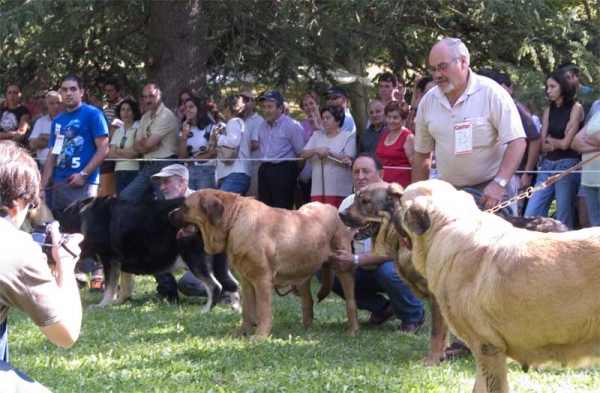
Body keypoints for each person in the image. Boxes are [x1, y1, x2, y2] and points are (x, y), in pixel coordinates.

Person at [0, 140, 83, 391]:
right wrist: (66, 263)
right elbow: (65, 334)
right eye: (31, 205)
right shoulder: (14, 246)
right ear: (17, 204)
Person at [412, 37, 526, 212]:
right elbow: (421, 155)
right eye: (433, 69)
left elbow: (517, 141)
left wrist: (499, 183)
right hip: (449, 194)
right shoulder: (428, 101)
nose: (437, 75)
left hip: (491, 193)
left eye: (443, 67)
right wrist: (417, 197)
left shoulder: (492, 93)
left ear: (463, 62)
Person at [330, 152, 425, 332]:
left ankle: (414, 316)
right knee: (329, 272)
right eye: (356, 172)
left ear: (380, 175)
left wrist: (355, 260)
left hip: (391, 268)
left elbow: (395, 251)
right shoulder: (347, 204)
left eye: (366, 171)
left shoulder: (397, 202)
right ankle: (383, 309)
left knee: (388, 271)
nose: (361, 177)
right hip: (362, 271)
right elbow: (337, 241)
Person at [40, 74, 109, 291]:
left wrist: (84, 174)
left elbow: (104, 148)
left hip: (84, 184)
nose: (68, 93)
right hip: (60, 183)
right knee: (65, 231)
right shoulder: (58, 121)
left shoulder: (93, 114)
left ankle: (98, 275)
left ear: (81, 92)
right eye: (64, 89)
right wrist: (42, 186)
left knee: (89, 229)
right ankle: (76, 273)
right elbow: (53, 154)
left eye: (72, 89)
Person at [524, 69, 585, 228]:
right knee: (531, 214)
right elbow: (542, 147)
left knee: (563, 218)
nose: (548, 90)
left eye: (552, 86)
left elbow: (567, 144)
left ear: (563, 86)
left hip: (568, 166)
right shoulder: (548, 111)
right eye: (547, 87)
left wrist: (551, 140)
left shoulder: (576, 108)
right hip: (547, 166)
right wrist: (556, 141)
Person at [120, 83, 179, 202]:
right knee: (125, 197)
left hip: (165, 165)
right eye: (145, 97)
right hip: (148, 165)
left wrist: (145, 145)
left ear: (160, 94)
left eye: (151, 96)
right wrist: (148, 147)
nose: (147, 100)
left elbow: (147, 144)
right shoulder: (145, 117)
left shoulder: (166, 115)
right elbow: (137, 145)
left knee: (165, 202)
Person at [256, 90, 306, 209]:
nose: (266, 111)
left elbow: (302, 154)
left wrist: (292, 172)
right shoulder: (262, 126)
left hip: (283, 169)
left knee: (282, 210)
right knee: (265, 209)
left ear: (280, 108)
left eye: (270, 107)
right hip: (264, 170)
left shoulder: (292, 125)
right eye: (264, 107)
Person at [300, 105, 355, 207]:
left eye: (328, 118)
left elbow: (349, 158)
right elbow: (303, 153)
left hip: (339, 189)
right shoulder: (316, 135)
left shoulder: (348, 135)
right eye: (323, 118)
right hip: (317, 189)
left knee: (337, 219)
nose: (324, 121)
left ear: (338, 120)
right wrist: (316, 150)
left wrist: (329, 153)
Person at [212, 95, 252, 194]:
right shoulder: (241, 123)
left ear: (229, 109)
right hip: (239, 173)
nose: (223, 111)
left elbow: (233, 142)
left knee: (220, 201)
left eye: (224, 107)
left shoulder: (233, 122)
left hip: (235, 173)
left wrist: (217, 137)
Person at [179, 96, 218, 191]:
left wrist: (192, 160)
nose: (187, 110)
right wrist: (184, 136)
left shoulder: (211, 127)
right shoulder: (184, 128)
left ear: (199, 109)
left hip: (206, 170)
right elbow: (182, 156)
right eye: (185, 108)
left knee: (204, 202)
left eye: (191, 107)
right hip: (187, 171)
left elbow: (212, 153)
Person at [375, 101, 414, 188]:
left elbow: (415, 165)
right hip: (382, 185)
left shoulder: (408, 137)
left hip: (400, 187)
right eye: (389, 117)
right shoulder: (384, 134)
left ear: (403, 119)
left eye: (395, 118)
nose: (391, 121)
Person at [572, 109, 600, 226]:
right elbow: (575, 143)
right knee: (594, 227)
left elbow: (598, 138)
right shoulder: (597, 114)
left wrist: (586, 139)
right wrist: (596, 147)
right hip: (588, 180)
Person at [108, 99, 142, 195]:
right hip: (118, 171)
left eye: (128, 110)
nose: (125, 112)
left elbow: (135, 153)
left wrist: (117, 150)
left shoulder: (139, 128)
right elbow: (110, 155)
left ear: (134, 113)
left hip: (134, 171)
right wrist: (127, 153)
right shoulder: (117, 131)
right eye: (122, 110)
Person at [296, 90, 322, 206]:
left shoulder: (327, 121)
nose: (309, 107)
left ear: (317, 103)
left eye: (311, 103)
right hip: (307, 172)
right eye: (305, 105)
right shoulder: (301, 126)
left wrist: (317, 127)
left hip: (323, 171)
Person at [99, 78, 124, 198]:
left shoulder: (125, 107)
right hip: (106, 150)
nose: (107, 94)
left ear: (118, 92)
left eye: (110, 91)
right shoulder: (103, 109)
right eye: (106, 91)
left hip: (120, 150)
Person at [240, 89, 264, 197]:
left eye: (246, 99)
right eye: (239, 99)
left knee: (251, 200)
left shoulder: (259, 120)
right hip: (238, 166)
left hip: (254, 166)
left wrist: (234, 144)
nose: (242, 102)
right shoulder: (236, 120)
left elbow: (255, 144)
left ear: (253, 103)